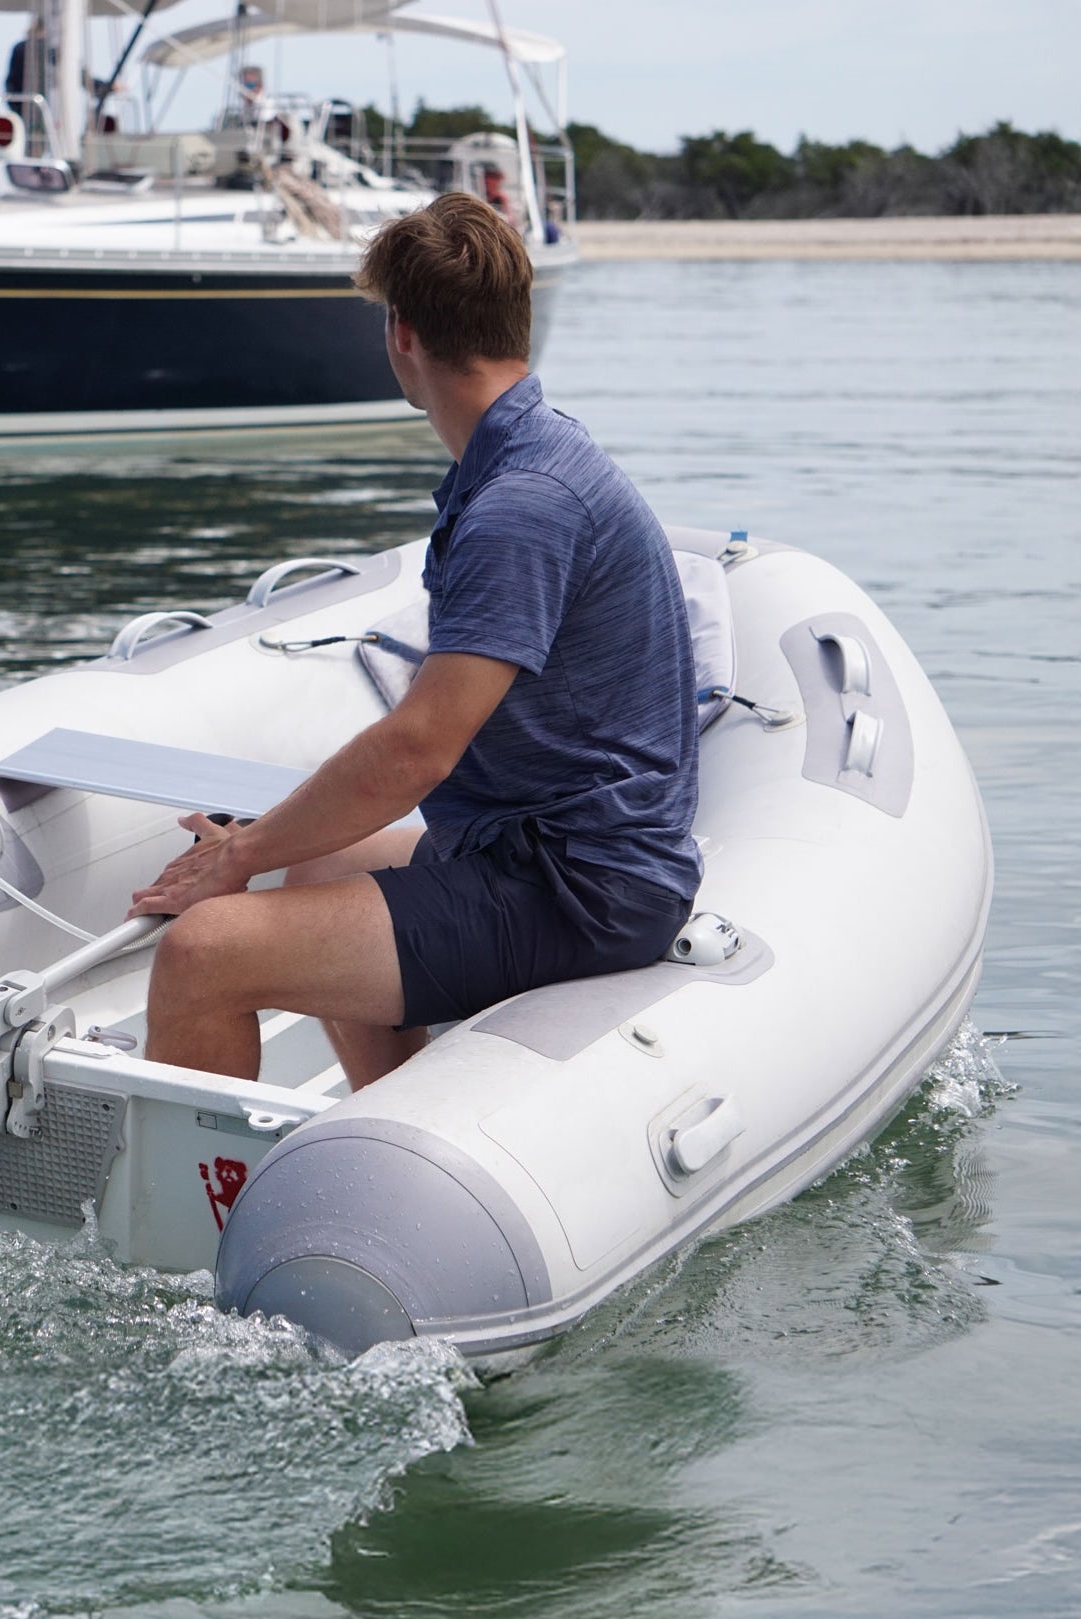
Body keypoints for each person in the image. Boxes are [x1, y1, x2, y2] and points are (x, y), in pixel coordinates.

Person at [129, 190, 700, 1089]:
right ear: (518, 318)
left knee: (205, 952)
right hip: (551, 850)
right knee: (315, 861)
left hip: (575, 889)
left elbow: (417, 751)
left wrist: (238, 856)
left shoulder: (523, 506)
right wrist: (277, 837)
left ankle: (207, 1227)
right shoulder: (537, 456)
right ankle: (391, 1113)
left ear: (401, 333)